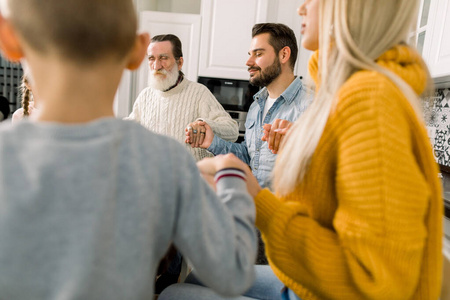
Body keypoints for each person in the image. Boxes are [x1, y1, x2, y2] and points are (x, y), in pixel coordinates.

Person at [160, 0, 443, 299]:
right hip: (301, 260)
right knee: (198, 277)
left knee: (171, 295)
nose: (301, 8)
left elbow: (377, 282)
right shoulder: (326, 94)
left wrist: (258, 202)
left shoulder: (367, 98)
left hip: (313, 276)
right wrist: (222, 146)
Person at [0, 1, 258, 299]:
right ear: (138, 53)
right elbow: (233, 272)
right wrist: (231, 179)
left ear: (8, 39)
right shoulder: (166, 161)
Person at [187, 23, 312, 189]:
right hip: (257, 205)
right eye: (249, 54)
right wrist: (212, 141)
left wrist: (296, 144)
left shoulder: (312, 106)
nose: (248, 62)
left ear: (284, 55)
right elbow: (249, 156)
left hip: (287, 210)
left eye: (258, 54)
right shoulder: (255, 106)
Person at [126, 34, 239, 162]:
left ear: (179, 63)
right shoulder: (145, 96)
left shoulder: (198, 93)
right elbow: (129, 129)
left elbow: (233, 130)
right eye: (151, 58)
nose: (156, 66)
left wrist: (204, 125)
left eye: (163, 58)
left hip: (192, 179)